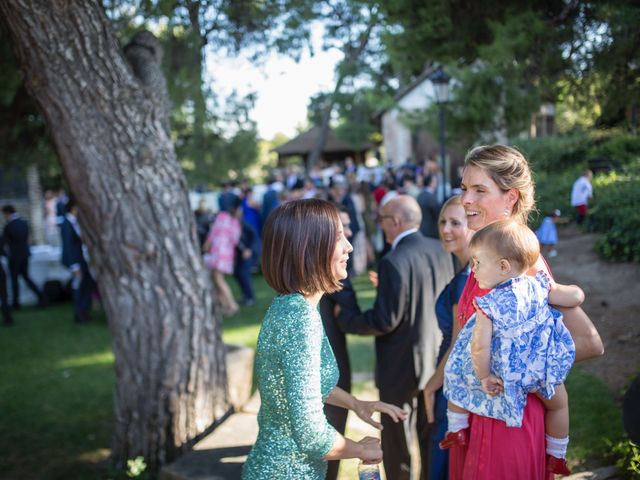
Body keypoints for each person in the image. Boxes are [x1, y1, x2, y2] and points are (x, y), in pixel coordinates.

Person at [447, 144, 603, 479]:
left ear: (511, 198)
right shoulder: (486, 259)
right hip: (479, 413)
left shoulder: (521, 265)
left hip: (509, 425)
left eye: (479, 190)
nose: (466, 200)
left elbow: (589, 342)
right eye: (464, 189)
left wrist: (522, 368)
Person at [242, 199, 407, 479]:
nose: (349, 247)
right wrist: (361, 450)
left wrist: (356, 404)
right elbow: (310, 433)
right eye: (338, 237)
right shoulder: (299, 319)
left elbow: (304, 384)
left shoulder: (294, 306)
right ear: (309, 249)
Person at [443, 220, 581, 476]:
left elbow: (479, 347)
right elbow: (573, 296)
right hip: (539, 369)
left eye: (478, 263)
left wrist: (484, 376)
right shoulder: (539, 286)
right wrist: (573, 293)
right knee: (560, 404)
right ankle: (557, 454)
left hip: (507, 373)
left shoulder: (489, 304)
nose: (474, 268)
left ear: (503, 266)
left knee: (458, 378)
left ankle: (456, 428)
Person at [337, 194, 454, 480]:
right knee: (430, 437)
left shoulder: (393, 261)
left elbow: (385, 320)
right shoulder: (441, 250)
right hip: (437, 359)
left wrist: (346, 318)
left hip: (399, 366)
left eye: (382, 220)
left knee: (396, 443)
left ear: (396, 222)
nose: (381, 226)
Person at [421, 195, 473, 480]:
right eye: (443, 221)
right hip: (453, 377)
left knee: (443, 463)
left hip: (451, 382)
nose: (446, 229)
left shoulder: (466, 278)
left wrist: (430, 386)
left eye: (456, 222)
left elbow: (458, 342)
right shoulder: (464, 271)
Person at [319, 208, 360, 480]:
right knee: (332, 424)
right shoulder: (336, 281)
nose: (350, 243)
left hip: (328, 377)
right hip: (331, 363)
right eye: (340, 232)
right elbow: (352, 317)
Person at [203, 197, 242, 316]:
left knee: (218, 279)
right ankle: (224, 305)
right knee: (217, 279)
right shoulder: (235, 222)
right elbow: (235, 240)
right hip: (227, 253)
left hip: (218, 251)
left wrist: (206, 245)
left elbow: (213, 232)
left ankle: (232, 304)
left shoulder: (222, 217)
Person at [2, 205, 46, 309]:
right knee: (26, 277)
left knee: (14, 280)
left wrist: (4, 254)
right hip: (25, 255)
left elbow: (4, 242)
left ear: (7, 213)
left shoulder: (9, 226)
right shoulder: (24, 223)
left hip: (14, 256)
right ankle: (41, 295)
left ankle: (16, 303)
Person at [60, 200, 96, 323]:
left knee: (86, 283)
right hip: (75, 261)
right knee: (79, 286)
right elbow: (68, 246)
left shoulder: (72, 222)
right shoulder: (67, 224)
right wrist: (75, 266)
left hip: (79, 259)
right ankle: (79, 313)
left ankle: (83, 310)